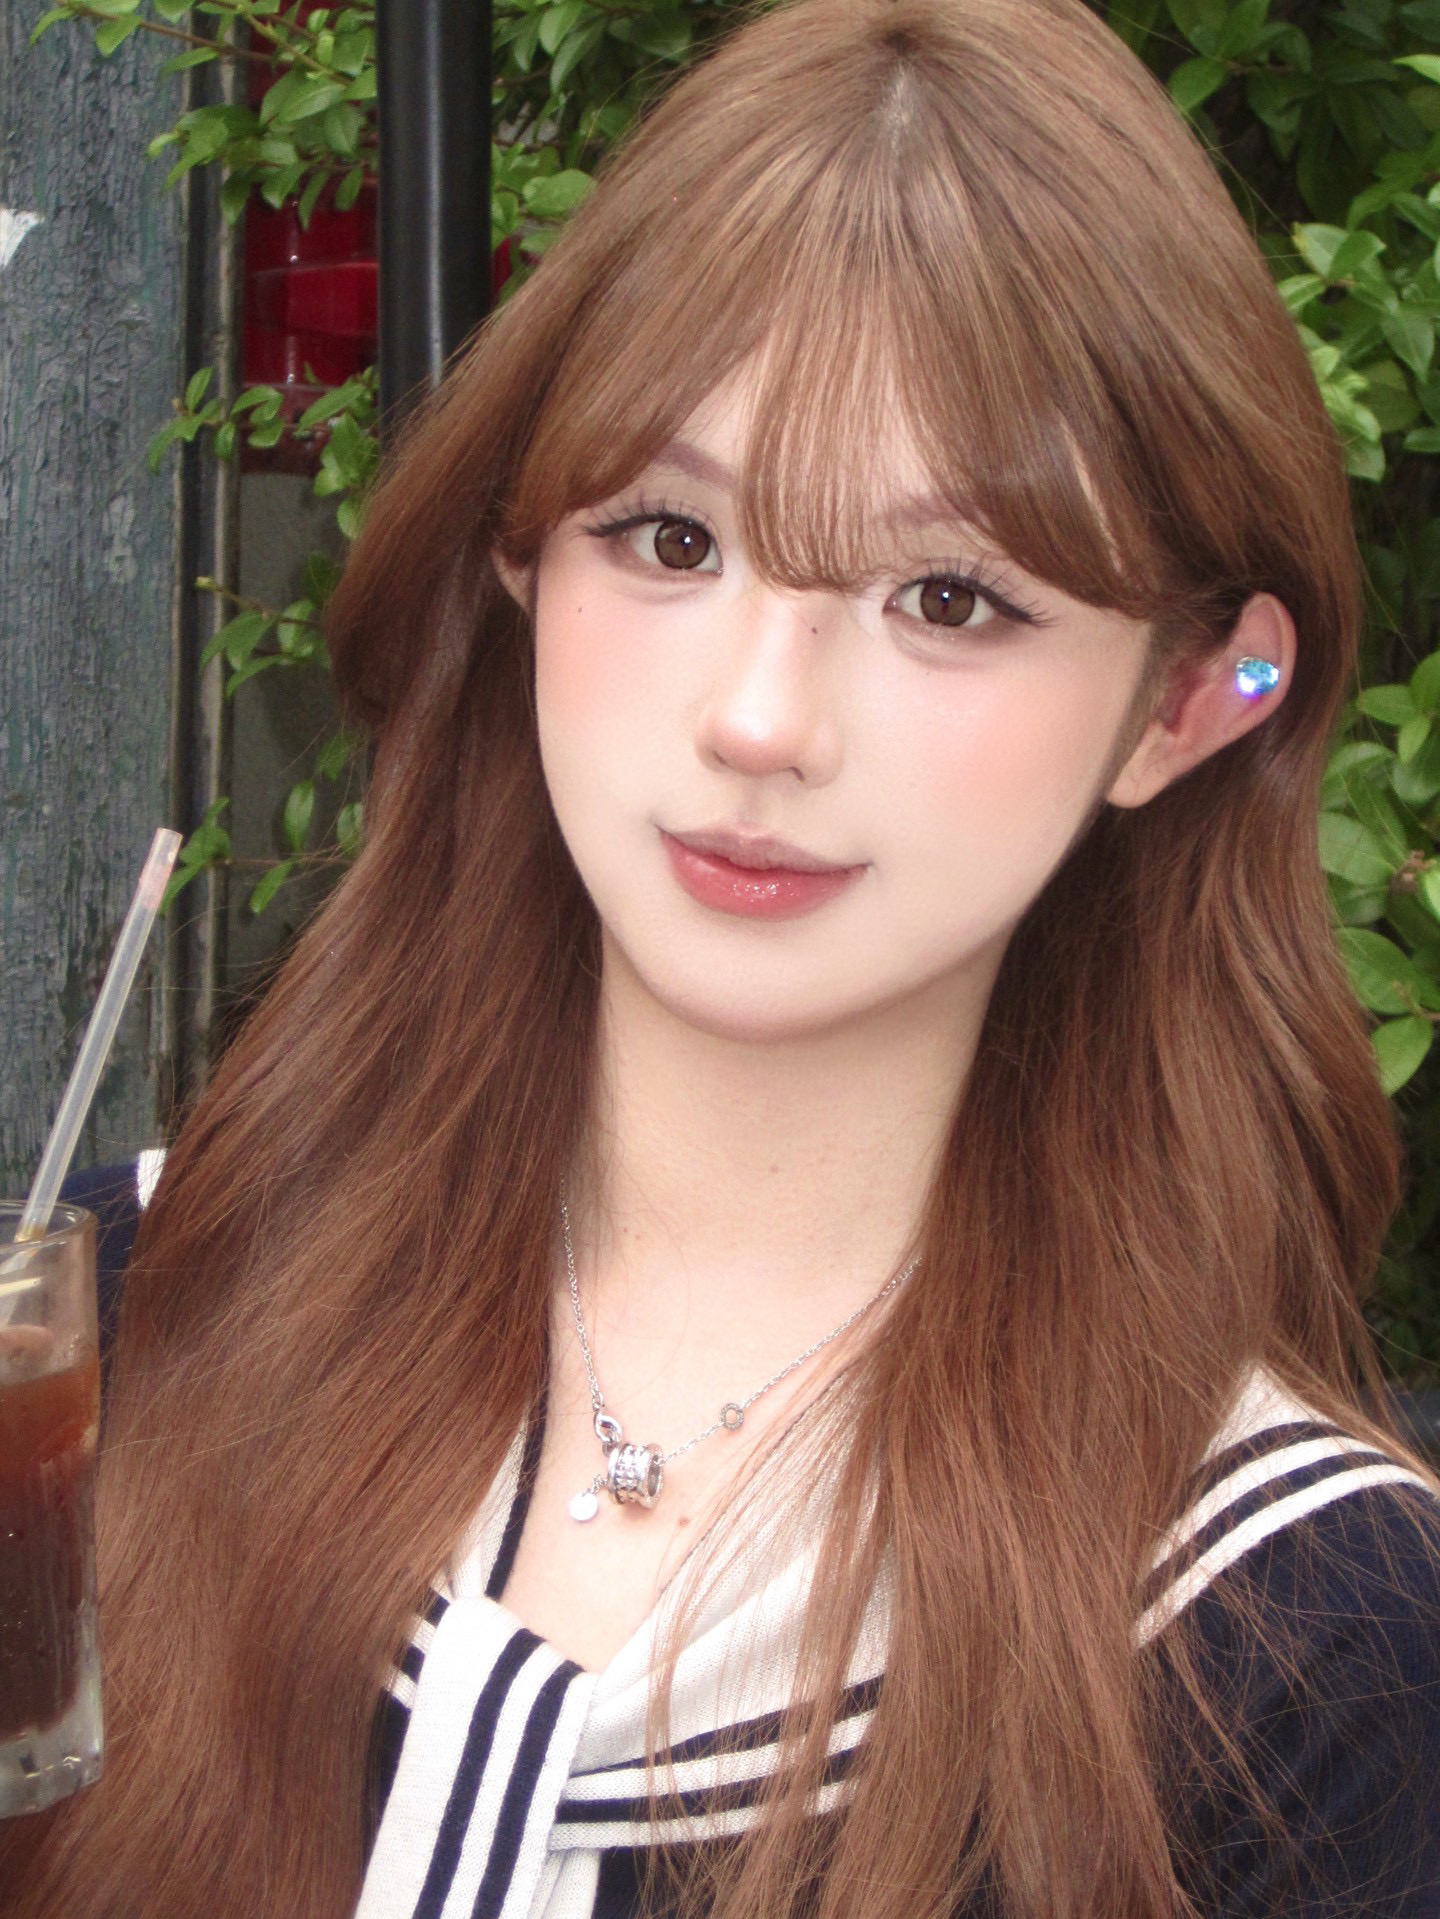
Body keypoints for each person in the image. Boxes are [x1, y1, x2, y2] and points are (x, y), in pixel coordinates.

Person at [7, 0, 1440, 1912]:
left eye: (951, 596)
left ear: (1195, 697)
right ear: (520, 554)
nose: (760, 718)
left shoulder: (1293, 1644)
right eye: (671, 540)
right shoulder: (120, 1327)